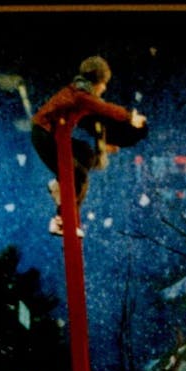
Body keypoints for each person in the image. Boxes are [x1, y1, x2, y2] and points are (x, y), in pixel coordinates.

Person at [31, 55, 146, 237]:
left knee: (85, 153)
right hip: (44, 136)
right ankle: (61, 221)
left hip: (51, 135)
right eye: (104, 83)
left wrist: (104, 144)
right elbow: (104, 108)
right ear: (96, 82)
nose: (105, 87)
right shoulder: (81, 95)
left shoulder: (77, 93)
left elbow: (90, 120)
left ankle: (58, 185)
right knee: (78, 175)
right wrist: (130, 117)